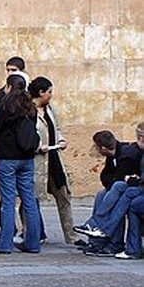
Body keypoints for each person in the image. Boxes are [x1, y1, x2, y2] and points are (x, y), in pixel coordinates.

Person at [0, 74, 41, 255]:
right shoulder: (30, 107)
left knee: (8, 200)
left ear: (9, 87)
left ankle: (4, 244)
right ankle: (33, 243)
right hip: (27, 157)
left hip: (7, 157)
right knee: (29, 201)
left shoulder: (5, 106)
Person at [74, 126, 143, 256]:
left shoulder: (128, 154)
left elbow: (119, 178)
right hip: (129, 186)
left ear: (103, 148)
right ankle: (97, 240)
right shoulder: (114, 155)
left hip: (133, 188)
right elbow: (105, 177)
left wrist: (123, 179)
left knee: (118, 192)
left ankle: (105, 234)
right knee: (102, 194)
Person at [28, 76, 74, 243]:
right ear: (41, 93)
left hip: (53, 159)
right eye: (49, 92)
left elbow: (57, 128)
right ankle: (32, 234)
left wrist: (60, 139)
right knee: (31, 198)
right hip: (37, 161)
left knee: (64, 195)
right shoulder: (28, 110)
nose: (51, 95)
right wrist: (37, 146)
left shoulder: (49, 109)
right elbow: (26, 134)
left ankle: (71, 235)